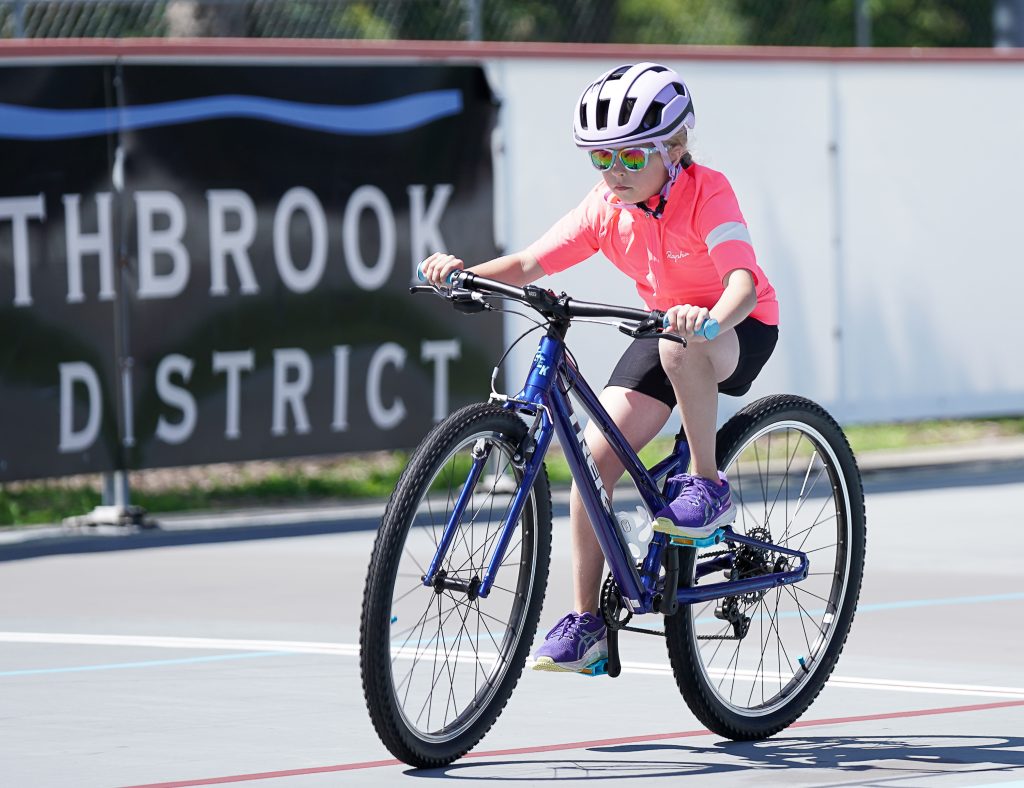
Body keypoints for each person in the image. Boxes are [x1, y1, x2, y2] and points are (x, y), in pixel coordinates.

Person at [420, 62, 779, 674]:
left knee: (679, 345)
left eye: (631, 159)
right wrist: (461, 273)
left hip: (733, 326)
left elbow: (743, 281)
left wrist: (712, 319)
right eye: (600, 158)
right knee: (592, 458)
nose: (615, 173)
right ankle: (587, 623)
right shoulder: (605, 207)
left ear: (675, 147)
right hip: (665, 327)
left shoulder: (708, 191)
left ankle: (707, 484)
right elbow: (531, 263)